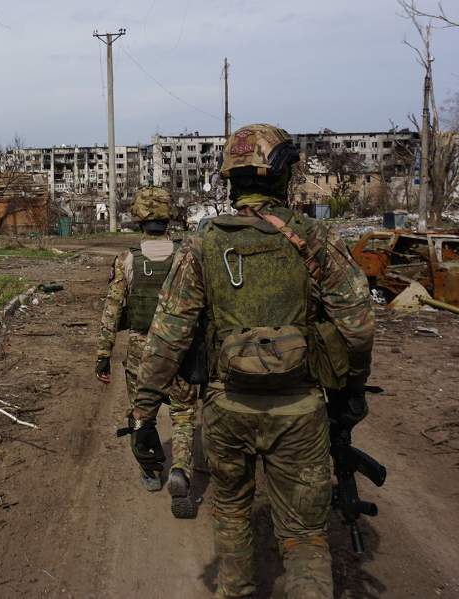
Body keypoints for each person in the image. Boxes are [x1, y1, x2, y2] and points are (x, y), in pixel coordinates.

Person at [134, 124, 375, 598]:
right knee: (305, 536)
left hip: (227, 410)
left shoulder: (203, 245)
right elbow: (358, 327)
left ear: (231, 182)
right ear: (284, 176)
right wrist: (352, 391)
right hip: (301, 410)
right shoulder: (315, 239)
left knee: (232, 513)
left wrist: (144, 412)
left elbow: (168, 336)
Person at [95, 186, 201, 517]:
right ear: (168, 217)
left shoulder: (127, 260)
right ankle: (181, 468)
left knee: (142, 414)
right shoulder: (187, 257)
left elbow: (112, 309)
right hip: (181, 349)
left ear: (138, 218)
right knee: (183, 414)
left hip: (142, 349)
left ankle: (151, 471)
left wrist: (103, 353)